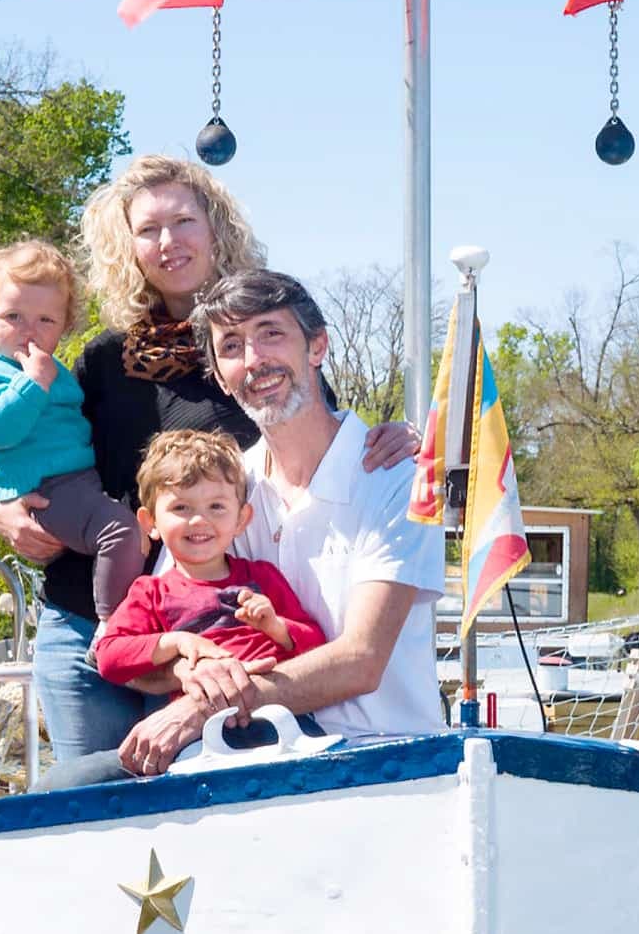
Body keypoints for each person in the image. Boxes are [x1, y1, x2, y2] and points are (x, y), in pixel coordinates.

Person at [0, 156, 416, 761]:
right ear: (127, 247)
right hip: (93, 623)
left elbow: (320, 435)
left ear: (216, 229)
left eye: (183, 221)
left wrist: (402, 438)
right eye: (147, 230)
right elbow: (38, 441)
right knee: (94, 812)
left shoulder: (258, 353)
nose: (168, 242)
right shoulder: (103, 360)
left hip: (213, 637)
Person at [42, 270, 445, 788]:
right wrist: (185, 670)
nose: (254, 360)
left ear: (317, 346)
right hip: (245, 752)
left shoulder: (396, 477)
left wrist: (196, 709)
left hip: (377, 763)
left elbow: (361, 661)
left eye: (271, 332)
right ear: (221, 375)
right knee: (63, 789)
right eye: (231, 345)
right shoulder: (230, 487)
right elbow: (153, 637)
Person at [0, 240, 143, 622]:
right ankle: (113, 627)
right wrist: (33, 383)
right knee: (121, 532)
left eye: (45, 321)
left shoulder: (57, 371)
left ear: (65, 327)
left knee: (129, 533)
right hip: (49, 490)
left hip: (78, 484)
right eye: (13, 317)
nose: (28, 332)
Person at [93, 429, 327, 688]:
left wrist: (276, 627)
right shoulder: (150, 593)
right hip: (206, 718)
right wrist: (177, 642)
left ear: (241, 519)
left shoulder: (262, 577)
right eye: (181, 508)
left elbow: (317, 643)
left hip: (279, 710)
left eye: (216, 507)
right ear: (150, 523)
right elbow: (108, 656)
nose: (199, 520)